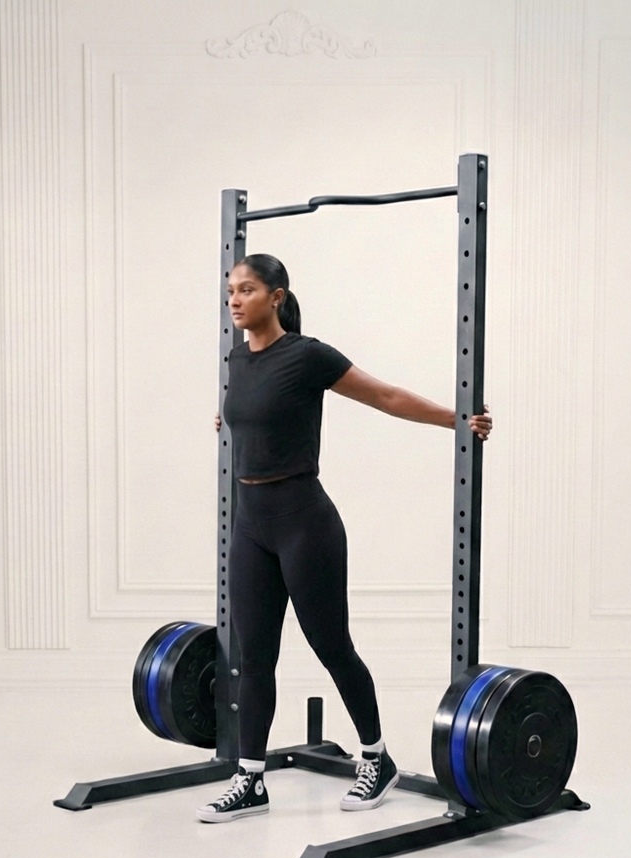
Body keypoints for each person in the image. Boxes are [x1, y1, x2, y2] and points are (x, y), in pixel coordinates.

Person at [196, 254, 492, 823]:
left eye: (246, 290)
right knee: (253, 656)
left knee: (332, 647)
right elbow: (250, 413)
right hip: (251, 525)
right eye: (230, 290)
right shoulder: (237, 357)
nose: (234, 300)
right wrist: (230, 421)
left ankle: (376, 759)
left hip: (304, 522)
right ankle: (250, 779)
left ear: (277, 297)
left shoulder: (307, 356)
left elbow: (385, 396)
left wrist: (457, 419)